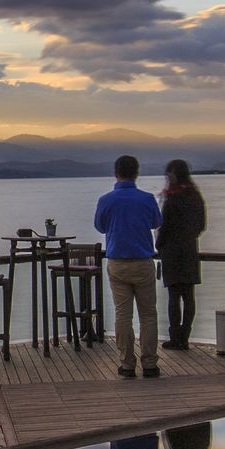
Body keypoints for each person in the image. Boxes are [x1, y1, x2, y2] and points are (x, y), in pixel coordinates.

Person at [92, 154, 161, 378]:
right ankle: (150, 363)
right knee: (148, 314)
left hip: (118, 262)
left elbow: (100, 227)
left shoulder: (106, 200)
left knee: (123, 315)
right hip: (143, 261)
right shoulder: (148, 199)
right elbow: (156, 222)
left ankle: (127, 364)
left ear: (116, 173)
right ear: (136, 173)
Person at [156, 158, 207, 350]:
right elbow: (201, 225)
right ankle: (185, 336)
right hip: (189, 250)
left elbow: (165, 226)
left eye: (169, 173)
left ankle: (175, 336)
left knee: (174, 296)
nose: (167, 176)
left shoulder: (172, 197)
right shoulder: (195, 196)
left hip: (171, 251)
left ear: (174, 174)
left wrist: (159, 245)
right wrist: (189, 237)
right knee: (189, 295)